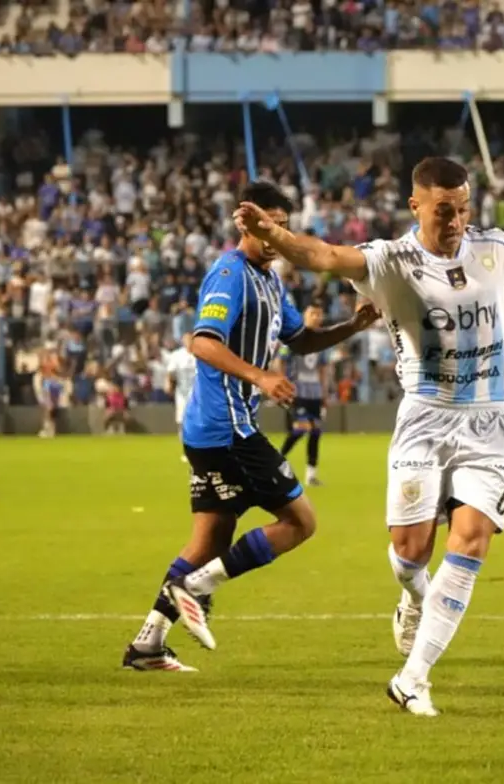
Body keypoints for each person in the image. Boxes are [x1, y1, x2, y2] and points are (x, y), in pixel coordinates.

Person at [234, 156, 504, 716]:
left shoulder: (495, 250)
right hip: (425, 419)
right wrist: (276, 235)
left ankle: (413, 678)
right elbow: (326, 256)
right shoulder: (391, 261)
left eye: (462, 209)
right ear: (416, 206)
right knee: (411, 553)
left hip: (490, 423)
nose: (456, 220)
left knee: (472, 539)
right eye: (443, 210)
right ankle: (414, 595)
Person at [122, 181, 380, 672]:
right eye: (269, 224)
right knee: (302, 522)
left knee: (210, 540)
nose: (277, 232)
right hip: (228, 428)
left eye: (284, 224)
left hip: (216, 430)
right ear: (248, 224)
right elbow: (203, 342)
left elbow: (300, 339)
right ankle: (196, 586)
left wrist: (352, 325)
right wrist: (260, 375)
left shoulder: (270, 280)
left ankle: (147, 645)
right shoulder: (229, 274)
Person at [278, 304, 331, 486]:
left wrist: (324, 393)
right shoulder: (294, 339)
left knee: (315, 431)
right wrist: (283, 384)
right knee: (301, 429)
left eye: (319, 314)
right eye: (312, 314)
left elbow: (322, 369)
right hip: (297, 392)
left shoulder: (322, 342)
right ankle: (276, 462)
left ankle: (311, 475)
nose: (316, 317)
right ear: (305, 316)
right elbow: (281, 361)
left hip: (314, 393)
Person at [166, 334, 198, 462]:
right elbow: (170, 372)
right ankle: (186, 450)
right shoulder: (177, 355)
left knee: (198, 422)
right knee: (182, 422)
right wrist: (168, 383)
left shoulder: (200, 354)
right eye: (186, 340)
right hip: (182, 394)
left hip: (198, 393)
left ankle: (199, 449)